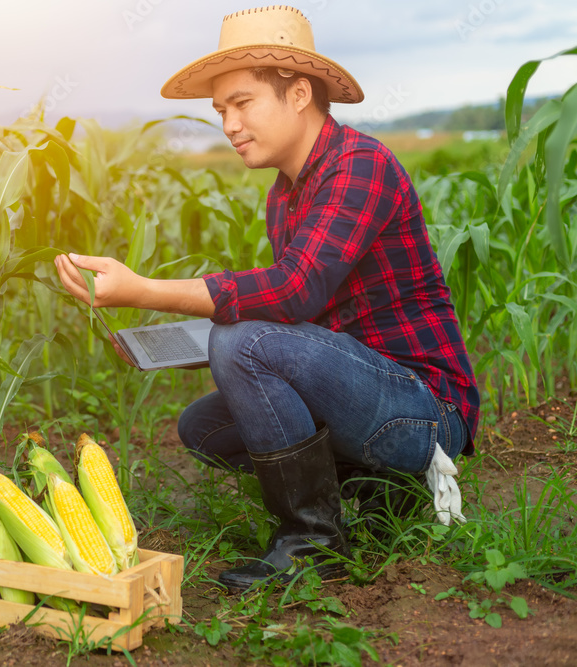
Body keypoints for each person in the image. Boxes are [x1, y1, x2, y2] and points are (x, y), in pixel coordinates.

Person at [54, 5, 480, 592]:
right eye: (220, 110)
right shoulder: (285, 195)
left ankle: (313, 544)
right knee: (203, 426)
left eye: (242, 103)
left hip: (425, 411)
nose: (228, 124)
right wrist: (177, 343)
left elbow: (294, 288)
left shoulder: (360, 165)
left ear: (300, 93)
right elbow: (297, 313)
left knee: (240, 341)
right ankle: (380, 494)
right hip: (363, 393)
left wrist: (142, 291)